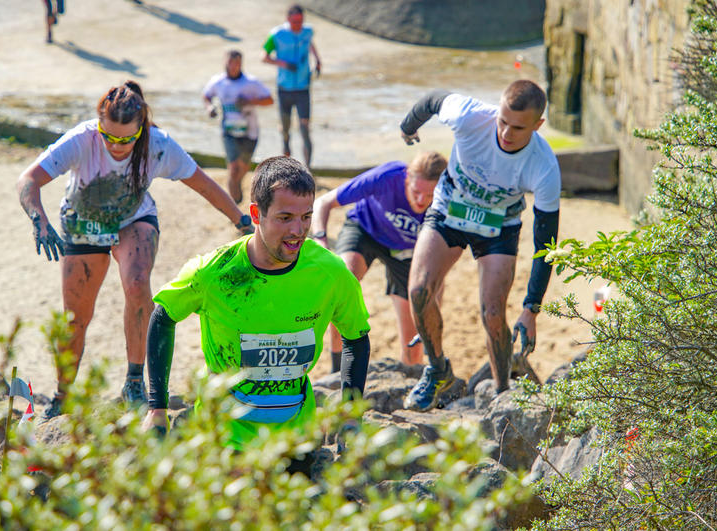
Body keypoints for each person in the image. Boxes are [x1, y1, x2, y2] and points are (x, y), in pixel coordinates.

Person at [16, 80, 253, 419]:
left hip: (134, 220)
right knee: (76, 318)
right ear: (99, 124)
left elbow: (203, 183)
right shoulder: (82, 139)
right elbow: (28, 179)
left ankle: (134, 382)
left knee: (138, 283)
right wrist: (38, 219)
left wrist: (241, 220)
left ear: (141, 128)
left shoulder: (158, 145)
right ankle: (63, 394)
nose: (116, 145)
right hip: (84, 225)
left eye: (126, 139)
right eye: (109, 136)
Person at [142, 156, 371, 450]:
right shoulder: (214, 273)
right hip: (224, 436)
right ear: (256, 213)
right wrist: (157, 409)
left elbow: (356, 337)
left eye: (306, 217)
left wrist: (351, 416)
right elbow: (162, 317)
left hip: (295, 438)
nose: (298, 231)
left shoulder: (331, 273)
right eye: (285, 218)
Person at [399, 79, 561, 411]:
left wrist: (531, 308)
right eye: (502, 121)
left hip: (498, 226)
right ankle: (436, 369)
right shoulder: (470, 116)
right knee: (418, 291)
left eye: (518, 127)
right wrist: (408, 127)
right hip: (449, 210)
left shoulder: (544, 166)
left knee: (492, 312)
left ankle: (502, 390)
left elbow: (546, 243)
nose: (505, 133)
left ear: (538, 125)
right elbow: (432, 98)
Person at [310, 151, 447, 369]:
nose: (421, 201)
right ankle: (337, 369)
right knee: (343, 283)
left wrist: (430, 309)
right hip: (366, 230)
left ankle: (409, 377)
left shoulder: (448, 201)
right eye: (416, 191)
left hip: (408, 252)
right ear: (407, 178)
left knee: (415, 339)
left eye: (430, 196)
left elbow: (438, 270)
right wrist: (321, 242)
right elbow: (323, 203)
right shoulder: (388, 176)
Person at [203, 50, 274, 204]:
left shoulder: (251, 83)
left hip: (250, 131)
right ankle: (233, 204)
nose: (234, 66)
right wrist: (209, 108)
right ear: (225, 62)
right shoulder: (218, 82)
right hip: (228, 131)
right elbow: (206, 95)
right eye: (231, 63)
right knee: (233, 168)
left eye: (237, 63)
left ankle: (236, 185)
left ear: (241, 64)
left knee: (243, 167)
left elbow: (269, 100)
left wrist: (250, 101)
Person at [262, 4, 321, 168]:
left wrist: (317, 60)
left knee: (305, 128)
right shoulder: (277, 34)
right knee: (286, 129)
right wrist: (284, 64)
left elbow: (310, 43)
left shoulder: (308, 31)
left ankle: (308, 169)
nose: (298, 25)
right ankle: (287, 164)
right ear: (288, 19)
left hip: (303, 87)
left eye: (300, 21)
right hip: (284, 88)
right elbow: (264, 57)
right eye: (295, 21)